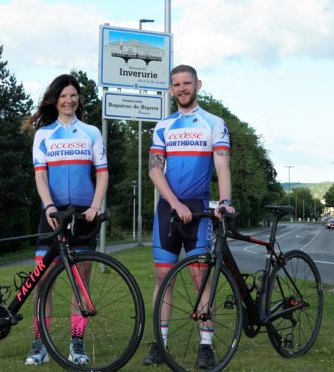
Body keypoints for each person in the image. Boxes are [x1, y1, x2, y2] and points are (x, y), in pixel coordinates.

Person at [144, 64, 235, 368]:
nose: (182, 88)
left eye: (187, 83)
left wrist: (224, 201)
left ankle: (206, 345)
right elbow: (155, 170)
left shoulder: (214, 123)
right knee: (162, 278)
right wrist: (173, 203)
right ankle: (160, 342)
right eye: (176, 84)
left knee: (200, 277)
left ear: (198, 85)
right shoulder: (162, 126)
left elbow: (222, 165)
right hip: (168, 209)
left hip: (200, 209)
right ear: (171, 89)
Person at [21, 74, 108, 366]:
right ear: (55, 100)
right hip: (53, 213)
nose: (69, 100)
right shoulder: (44, 134)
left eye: (73, 95)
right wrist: (47, 205)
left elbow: (103, 173)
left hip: (84, 214)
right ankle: (39, 342)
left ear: (78, 99)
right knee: (43, 282)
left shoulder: (91, 132)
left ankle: (76, 343)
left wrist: (96, 205)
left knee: (80, 281)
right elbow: (40, 174)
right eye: (63, 96)